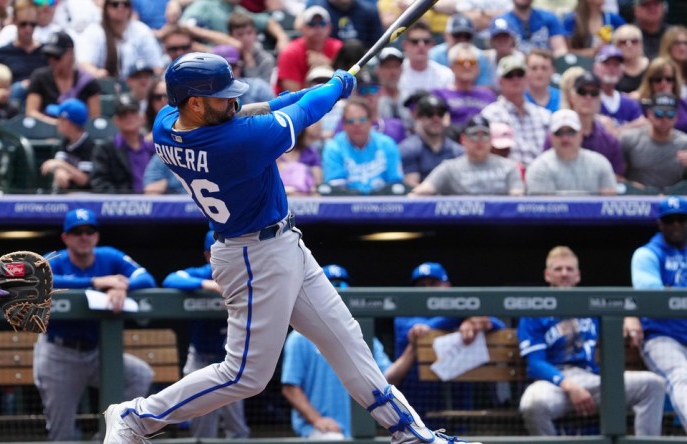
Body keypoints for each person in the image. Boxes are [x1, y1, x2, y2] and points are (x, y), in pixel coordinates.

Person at [103, 51, 480, 444]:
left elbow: (255, 109)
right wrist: (337, 88)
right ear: (195, 102)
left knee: (347, 341)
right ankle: (136, 416)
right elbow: (304, 114)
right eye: (221, 96)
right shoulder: (239, 143)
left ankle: (411, 434)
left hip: (280, 244)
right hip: (253, 256)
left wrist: (311, 91)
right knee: (244, 374)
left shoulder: (167, 124)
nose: (232, 102)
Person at [518, 246, 666, 436]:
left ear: (578, 276)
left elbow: (621, 309)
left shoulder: (592, 304)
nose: (564, 274)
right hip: (554, 385)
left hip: (592, 381)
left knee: (653, 385)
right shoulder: (534, 312)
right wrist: (569, 386)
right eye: (558, 269)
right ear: (547, 275)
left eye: (569, 269)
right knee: (532, 404)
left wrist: (630, 316)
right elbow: (535, 363)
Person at [36, 208, 155, 441]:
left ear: (97, 236)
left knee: (140, 375)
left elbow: (146, 277)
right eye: (77, 232)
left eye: (89, 231)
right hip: (59, 354)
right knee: (61, 433)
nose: (84, 236)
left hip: (97, 353)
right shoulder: (55, 259)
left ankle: (105, 438)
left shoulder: (109, 256)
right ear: (66, 237)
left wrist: (123, 285)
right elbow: (39, 279)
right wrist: (95, 282)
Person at [281, 264, 415, 439]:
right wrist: (317, 420)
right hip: (321, 431)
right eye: (331, 286)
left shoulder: (361, 335)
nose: (337, 291)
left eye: (341, 286)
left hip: (357, 430)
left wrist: (412, 348)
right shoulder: (299, 337)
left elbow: (388, 378)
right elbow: (290, 387)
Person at [161, 231, 251, 439]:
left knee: (236, 425)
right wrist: (207, 285)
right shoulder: (202, 274)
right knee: (203, 426)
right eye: (216, 252)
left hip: (232, 361)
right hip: (201, 358)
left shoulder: (244, 274)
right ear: (208, 256)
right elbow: (171, 278)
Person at [393, 262, 505, 414]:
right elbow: (421, 330)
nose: (427, 290)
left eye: (433, 284)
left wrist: (476, 321)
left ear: (448, 286)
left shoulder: (458, 314)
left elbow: (499, 326)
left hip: (459, 397)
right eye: (421, 285)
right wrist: (463, 314)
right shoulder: (405, 315)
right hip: (418, 402)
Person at [628, 195, 687, 434]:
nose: (676, 225)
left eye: (681, 220)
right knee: (682, 375)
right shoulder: (647, 254)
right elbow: (652, 295)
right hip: (662, 336)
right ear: (660, 224)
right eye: (669, 220)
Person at [409, 115, 525, 196]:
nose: (479, 141)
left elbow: (518, 199)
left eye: (484, 135)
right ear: (463, 139)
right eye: (474, 135)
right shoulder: (450, 168)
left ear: (491, 140)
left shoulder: (509, 167)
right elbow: (420, 192)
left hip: (501, 227)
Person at [546, 70, 625, 176]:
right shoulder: (556, 133)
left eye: (594, 93)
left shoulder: (609, 140)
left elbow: (616, 178)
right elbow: (545, 166)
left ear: (599, 99)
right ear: (571, 97)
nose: (588, 97)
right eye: (582, 92)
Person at [481, 53, 552, 167]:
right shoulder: (490, 114)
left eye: (520, 74)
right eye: (509, 75)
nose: (515, 79)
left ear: (526, 78)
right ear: (500, 81)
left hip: (543, 175)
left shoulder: (544, 115)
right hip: (507, 176)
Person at [322, 97, 404, 195]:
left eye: (362, 120)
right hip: (346, 207)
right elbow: (335, 189)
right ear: (343, 125)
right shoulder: (333, 148)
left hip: (383, 206)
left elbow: (395, 183)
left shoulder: (387, 144)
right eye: (351, 121)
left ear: (370, 121)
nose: (357, 125)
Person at [526, 109, 618, 194]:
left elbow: (609, 204)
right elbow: (545, 208)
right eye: (559, 132)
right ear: (550, 136)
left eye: (571, 132)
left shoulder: (600, 163)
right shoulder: (539, 167)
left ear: (581, 134)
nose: (565, 138)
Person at [26, 31, 102, 125]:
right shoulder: (39, 78)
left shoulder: (88, 82)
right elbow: (31, 112)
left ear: (71, 54)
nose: (52, 60)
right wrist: (57, 124)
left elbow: (94, 118)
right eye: (49, 56)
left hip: (77, 133)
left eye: (57, 56)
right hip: (45, 132)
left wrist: (70, 129)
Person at [75, 0, 164, 81]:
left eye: (125, 4)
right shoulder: (94, 31)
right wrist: (97, 73)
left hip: (137, 87)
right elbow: (83, 63)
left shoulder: (141, 30)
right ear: (106, 7)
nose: (120, 8)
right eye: (115, 4)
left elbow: (157, 66)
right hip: (106, 86)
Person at [0, 0, 48, 105]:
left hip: (41, 103)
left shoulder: (47, 53)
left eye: (33, 24)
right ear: (14, 21)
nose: (28, 29)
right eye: (23, 24)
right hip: (9, 106)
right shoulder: (0, 53)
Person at [621, 92, 687, 191]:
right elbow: (615, 176)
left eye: (670, 114)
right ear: (649, 114)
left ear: (677, 117)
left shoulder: (684, 143)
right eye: (659, 113)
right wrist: (630, 185)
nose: (664, 119)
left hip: (674, 201)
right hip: (638, 199)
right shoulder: (629, 139)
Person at [90, 98, 155, 193]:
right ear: (116, 120)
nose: (129, 117)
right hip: (120, 205)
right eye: (123, 114)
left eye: (133, 112)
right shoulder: (105, 150)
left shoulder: (154, 148)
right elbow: (100, 184)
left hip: (156, 203)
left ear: (143, 118)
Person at [398, 94, 465, 188]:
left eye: (440, 113)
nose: (436, 118)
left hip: (452, 200)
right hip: (421, 200)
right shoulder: (408, 148)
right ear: (419, 117)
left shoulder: (457, 151)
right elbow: (411, 186)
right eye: (429, 114)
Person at [275, 5, 343, 93]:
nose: (318, 28)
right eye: (312, 24)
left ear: (329, 27)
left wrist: (329, 65)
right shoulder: (290, 52)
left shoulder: (338, 48)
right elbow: (292, 95)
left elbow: (349, 86)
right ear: (302, 28)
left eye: (322, 23)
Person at [432, 43, 497, 127]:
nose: (467, 66)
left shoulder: (488, 95)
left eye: (472, 62)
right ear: (452, 66)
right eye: (461, 62)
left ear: (478, 68)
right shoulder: (440, 95)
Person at [39, 98, 95, 192]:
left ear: (69, 123)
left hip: (85, 198)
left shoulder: (88, 145)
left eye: (60, 119)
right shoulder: (66, 140)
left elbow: (85, 180)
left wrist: (62, 165)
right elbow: (58, 162)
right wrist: (59, 170)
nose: (57, 122)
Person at [429, 14, 494, 88]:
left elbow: (484, 88)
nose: (462, 40)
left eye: (467, 36)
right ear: (446, 35)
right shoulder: (435, 55)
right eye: (457, 35)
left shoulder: (479, 56)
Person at [593, 44, 647, 133]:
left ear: (622, 70)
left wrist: (615, 130)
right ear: (596, 67)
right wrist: (631, 126)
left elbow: (642, 127)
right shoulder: (587, 98)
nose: (611, 69)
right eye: (606, 64)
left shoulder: (629, 103)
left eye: (616, 64)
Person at [398, 21, 455, 105]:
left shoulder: (445, 74)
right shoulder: (397, 74)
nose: (421, 45)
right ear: (405, 45)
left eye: (426, 41)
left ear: (432, 44)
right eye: (415, 41)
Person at [495, 0, 568, 56]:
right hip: (515, 71)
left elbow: (560, 50)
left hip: (544, 67)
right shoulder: (502, 22)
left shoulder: (549, 18)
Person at [227, 12, 276, 84]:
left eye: (249, 33)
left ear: (255, 33)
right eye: (240, 34)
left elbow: (261, 91)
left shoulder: (266, 60)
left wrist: (249, 60)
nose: (245, 38)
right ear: (231, 36)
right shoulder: (224, 56)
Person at [613, 24, 649, 93]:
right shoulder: (611, 68)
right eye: (623, 42)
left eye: (634, 41)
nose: (629, 45)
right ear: (616, 45)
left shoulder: (651, 67)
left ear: (641, 44)